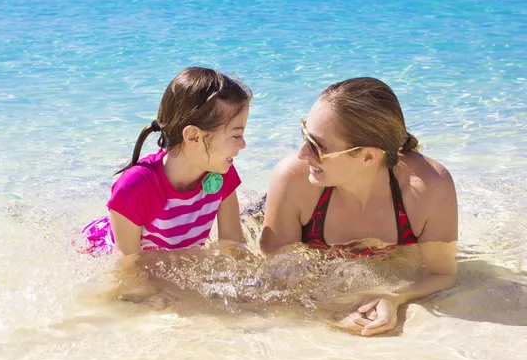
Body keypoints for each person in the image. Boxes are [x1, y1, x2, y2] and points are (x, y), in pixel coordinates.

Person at [260, 77, 458, 336]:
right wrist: (334, 308)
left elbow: (442, 273)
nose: (301, 154)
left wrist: (392, 297)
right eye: (304, 134)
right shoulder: (292, 180)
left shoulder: (428, 187)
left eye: (316, 146)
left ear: (367, 156)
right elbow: (277, 284)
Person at [82, 67, 252, 303]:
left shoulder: (221, 173)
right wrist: (149, 298)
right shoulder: (136, 187)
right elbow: (126, 267)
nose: (243, 144)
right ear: (193, 136)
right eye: (236, 135)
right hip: (104, 249)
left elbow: (233, 245)